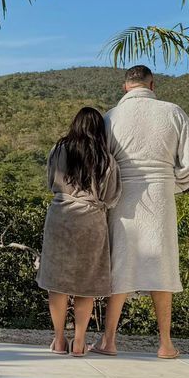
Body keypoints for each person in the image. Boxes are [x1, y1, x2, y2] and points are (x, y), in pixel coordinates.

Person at [95, 65, 189, 359]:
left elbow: (101, 164)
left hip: (122, 196)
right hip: (161, 194)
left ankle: (109, 340)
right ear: (152, 85)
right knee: (162, 266)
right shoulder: (173, 112)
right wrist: (173, 185)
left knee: (121, 265)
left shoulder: (110, 117)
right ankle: (166, 343)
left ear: (125, 86)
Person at [37, 107, 121, 356]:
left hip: (60, 217)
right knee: (87, 283)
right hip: (91, 221)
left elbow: (50, 180)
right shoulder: (106, 158)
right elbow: (111, 196)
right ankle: (80, 341)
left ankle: (59, 339)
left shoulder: (58, 149)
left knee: (57, 282)